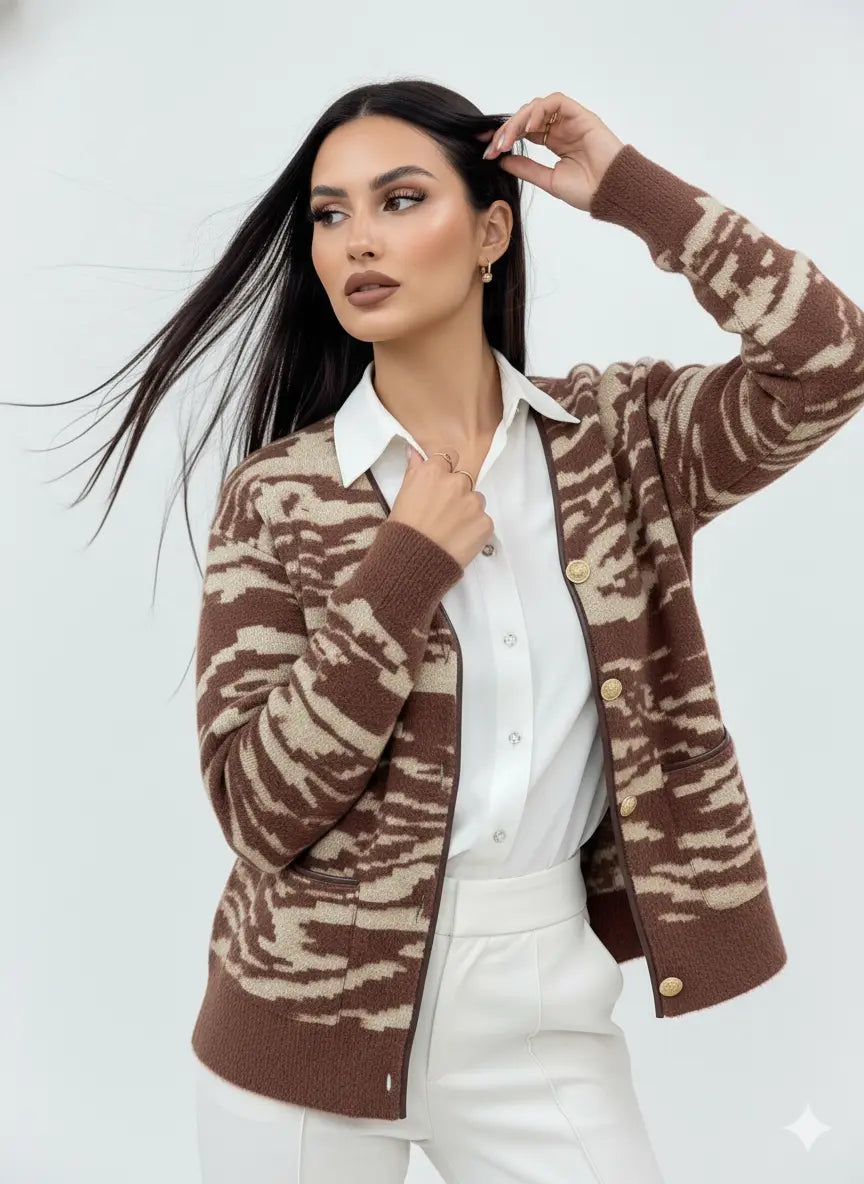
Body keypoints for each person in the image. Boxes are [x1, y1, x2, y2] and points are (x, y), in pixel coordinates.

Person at [15, 78, 863, 1184]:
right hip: (303, 1030)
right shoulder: (280, 496)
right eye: (330, 214)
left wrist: (629, 190)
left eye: (401, 199)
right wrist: (403, 567)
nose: (358, 240)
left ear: (492, 234)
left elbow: (830, 360)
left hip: (541, 1012)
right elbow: (259, 811)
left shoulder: (620, 443)